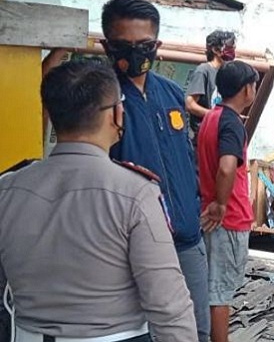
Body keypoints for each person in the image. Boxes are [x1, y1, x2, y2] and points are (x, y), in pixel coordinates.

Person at [0, 61, 197, 341]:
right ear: (118, 114)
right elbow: (167, 303)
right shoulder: (136, 193)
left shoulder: (7, 187)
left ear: (52, 113)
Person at [100, 0, 210, 342]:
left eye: (144, 46)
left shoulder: (172, 93)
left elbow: (185, 155)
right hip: (130, 245)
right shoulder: (99, 99)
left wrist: (197, 202)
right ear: (106, 46)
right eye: (123, 46)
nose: (135, 54)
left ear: (157, 45)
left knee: (195, 330)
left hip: (186, 238)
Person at [197, 61, 258, 342]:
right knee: (220, 293)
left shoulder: (211, 117)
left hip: (211, 213)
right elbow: (226, 167)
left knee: (211, 288)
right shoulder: (233, 122)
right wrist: (221, 204)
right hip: (227, 217)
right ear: (247, 89)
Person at [186, 30, 237, 147]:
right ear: (215, 50)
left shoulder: (225, 73)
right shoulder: (203, 71)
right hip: (199, 138)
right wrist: (214, 115)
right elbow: (190, 104)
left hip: (216, 137)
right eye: (228, 47)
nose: (232, 51)